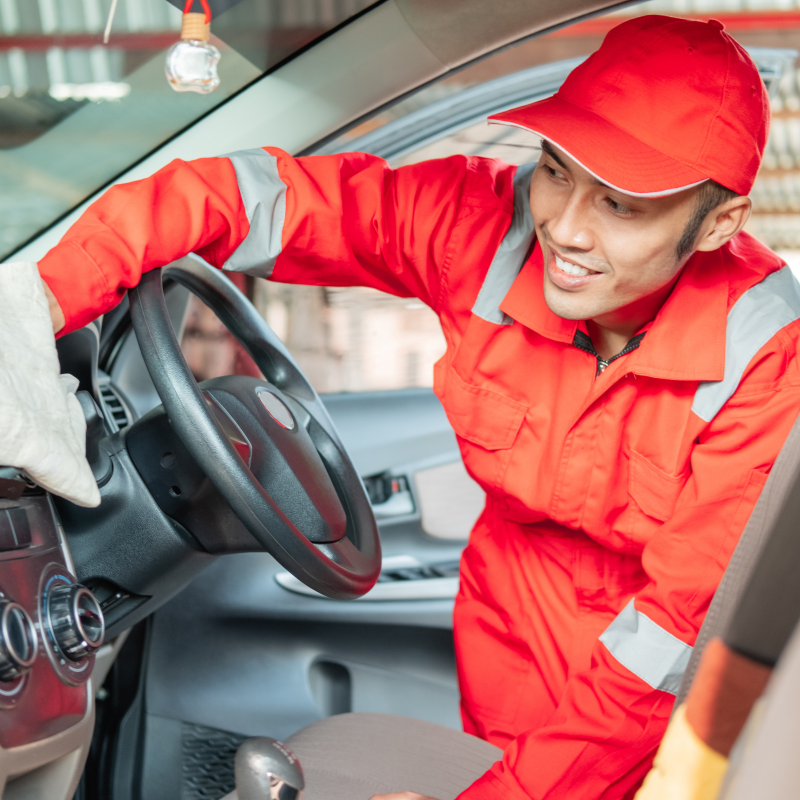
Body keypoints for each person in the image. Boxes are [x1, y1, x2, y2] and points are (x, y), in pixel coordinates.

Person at [36, 14, 799, 800]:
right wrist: (36, 311)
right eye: (558, 169)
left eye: (623, 206)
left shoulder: (764, 361)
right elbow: (251, 199)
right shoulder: (478, 227)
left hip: (654, 699)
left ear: (718, 224)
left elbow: (670, 637)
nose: (564, 227)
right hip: (504, 624)